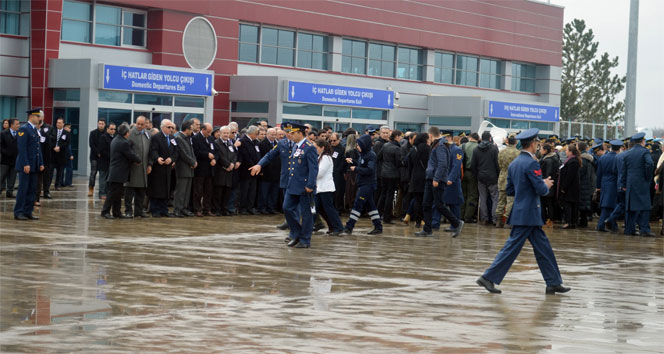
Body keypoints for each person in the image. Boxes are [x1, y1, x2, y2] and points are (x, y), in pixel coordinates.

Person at [476, 128, 570, 295]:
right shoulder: (532, 163)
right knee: (512, 248)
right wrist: (545, 184)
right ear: (533, 144)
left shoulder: (515, 164)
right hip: (529, 214)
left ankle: (553, 282)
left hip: (522, 212)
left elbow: (510, 190)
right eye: (537, 143)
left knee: (544, 249)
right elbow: (541, 190)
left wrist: (534, 185)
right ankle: (488, 277)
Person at [416, 129, 464, 237]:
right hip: (431, 178)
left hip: (436, 179)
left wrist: (437, 179)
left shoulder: (440, 146)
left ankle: (457, 222)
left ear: (430, 135)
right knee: (426, 204)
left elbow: (443, 164)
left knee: (438, 205)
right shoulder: (437, 145)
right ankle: (427, 229)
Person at [279, 123, 318, 248]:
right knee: (287, 208)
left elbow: (313, 168)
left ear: (300, 133)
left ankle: (305, 239)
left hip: (305, 186)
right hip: (293, 185)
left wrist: (310, 184)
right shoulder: (296, 147)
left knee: (306, 214)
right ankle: (296, 232)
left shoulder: (309, 147)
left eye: (293, 133)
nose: (291, 135)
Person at [341, 134, 383, 235]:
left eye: (359, 145)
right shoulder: (363, 154)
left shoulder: (370, 155)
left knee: (358, 204)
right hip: (363, 184)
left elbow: (370, 170)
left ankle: (349, 226)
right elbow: (362, 165)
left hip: (367, 185)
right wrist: (353, 163)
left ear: (365, 145)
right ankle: (378, 226)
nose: (357, 147)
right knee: (370, 206)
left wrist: (356, 169)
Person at [100, 124, 141, 219]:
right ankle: (105, 211)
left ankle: (116, 212)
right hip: (118, 172)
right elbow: (130, 154)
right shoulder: (123, 143)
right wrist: (138, 160)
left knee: (118, 194)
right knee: (112, 193)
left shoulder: (116, 139)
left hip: (116, 171)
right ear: (126, 133)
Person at [620, 132, 655, 236]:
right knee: (645, 206)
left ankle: (629, 229)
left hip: (630, 183)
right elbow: (649, 164)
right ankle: (644, 229)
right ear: (643, 141)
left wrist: (623, 184)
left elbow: (623, 171)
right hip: (642, 182)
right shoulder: (645, 152)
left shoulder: (627, 153)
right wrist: (647, 177)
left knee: (630, 207)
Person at [13, 108, 45, 220]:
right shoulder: (24, 129)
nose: (39, 119)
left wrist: (40, 162)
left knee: (32, 189)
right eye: (37, 116)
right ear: (31, 117)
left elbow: (37, 148)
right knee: (23, 189)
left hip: (34, 165)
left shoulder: (35, 130)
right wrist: (25, 164)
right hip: (26, 165)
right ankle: (19, 211)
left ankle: (28, 211)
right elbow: (22, 149)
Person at [147, 119, 178, 217]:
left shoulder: (172, 138)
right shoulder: (156, 137)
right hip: (158, 167)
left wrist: (172, 159)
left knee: (166, 189)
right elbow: (153, 150)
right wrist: (157, 158)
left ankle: (164, 210)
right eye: (169, 127)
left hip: (168, 168)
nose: (171, 129)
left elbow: (176, 151)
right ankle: (155, 210)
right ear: (163, 127)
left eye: (172, 127)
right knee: (156, 189)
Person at [313, 138, 344, 235]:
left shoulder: (326, 158)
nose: (315, 149)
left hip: (326, 188)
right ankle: (331, 226)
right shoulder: (320, 157)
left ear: (322, 148)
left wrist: (309, 176)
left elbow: (320, 173)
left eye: (316, 147)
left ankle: (338, 227)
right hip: (319, 188)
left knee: (329, 209)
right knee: (320, 209)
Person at [124, 116, 151, 218]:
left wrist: (150, 164)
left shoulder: (148, 134)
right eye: (138, 123)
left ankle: (139, 211)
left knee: (141, 192)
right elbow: (126, 149)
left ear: (145, 125)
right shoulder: (130, 133)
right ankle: (128, 211)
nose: (139, 126)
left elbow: (150, 151)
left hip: (144, 168)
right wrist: (133, 159)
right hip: (132, 167)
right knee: (129, 191)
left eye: (141, 124)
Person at [472, 131, 500, 225]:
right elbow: (497, 164)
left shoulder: (476, 149)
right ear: (490, 138)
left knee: (483, 198)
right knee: (495, 198)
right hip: (492, 177)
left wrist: (477, 176)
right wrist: (497, 174)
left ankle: (484, 218)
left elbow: (473, 165)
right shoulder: (494, 149)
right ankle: (495, 219)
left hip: (481, 177)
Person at [377, 130, 403, 224]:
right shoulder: (397, 148)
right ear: (396, 137)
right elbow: (398, 162)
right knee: (390, 195)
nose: (401, 138)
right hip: (393, 174)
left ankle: (378, 214)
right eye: (400, 136)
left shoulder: (385, 145)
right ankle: (387, 217)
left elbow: (378, 157)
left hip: (384, 173)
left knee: (383, 193)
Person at [596, 140, 622, 232]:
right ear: (619, 148)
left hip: (604, 183)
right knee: (610, 206)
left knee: (607, 205)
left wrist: (598, 186)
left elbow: (599, 173)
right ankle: (601, 225)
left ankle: (612, 226)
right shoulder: (619, 158)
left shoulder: (603, 158)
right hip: (615, 184)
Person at [173, 120, 197, 217]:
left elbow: (191, 152)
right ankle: (177, 209)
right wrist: (192, 162)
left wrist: (194, 161)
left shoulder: (188, 138)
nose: (192, 131)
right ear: (186, 129)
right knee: (181, 190)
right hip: (183, 168)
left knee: (187, 191)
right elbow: (183, 154)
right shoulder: (179, 138)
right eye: (191, 129)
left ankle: (184, 208)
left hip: (190, 168)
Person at [192, 123, 216, 216]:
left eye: (210, 132)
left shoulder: (210, 138)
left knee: (208, 190)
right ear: (203, 129)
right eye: (208, 132)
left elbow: (215, 150)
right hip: (200, 169)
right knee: (198, 190)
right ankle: (197, 209)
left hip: (210, 169)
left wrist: (214, 158)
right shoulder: (196, 138)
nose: (210, 134)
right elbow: (196, 152)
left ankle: (207, 209)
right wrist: (207, 155)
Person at [407, 133, 431, 228]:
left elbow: (409, 166)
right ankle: (425, 220)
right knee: (426, 200)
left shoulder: (413, 149)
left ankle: (417, 221)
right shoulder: (428, 149)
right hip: (425, 177)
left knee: (417, 200)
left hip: (415, 177)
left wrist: (410, 178)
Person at [495, 136, 519, 228]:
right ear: (515, 142)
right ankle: (507, 222)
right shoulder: (518, 153)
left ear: (507, 142)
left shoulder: (501, 152)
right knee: (510, 201)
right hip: (512, 178)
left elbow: (499, 164)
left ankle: (498, 220)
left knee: (501, 200)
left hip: (502, 176)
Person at [212, 126, 236, 216]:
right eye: (224, 133)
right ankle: (216, 209)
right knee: (218, 192)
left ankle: (224, 209)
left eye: (227, 133)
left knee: (227, 192)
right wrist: (227, 165)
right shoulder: (216, 143)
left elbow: (234, 155)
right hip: (221, 171)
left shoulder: (230, 143)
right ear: (220, 133)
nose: (226, 135)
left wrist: (232, 164)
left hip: (229, 172)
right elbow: (219, 156)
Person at [237, 125, 260, 215]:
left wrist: (258, 165)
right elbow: (245, 155)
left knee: (252, 190)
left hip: (255, 170)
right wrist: (253, 165)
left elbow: (257, 153)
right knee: (245, 190)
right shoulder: (243, 141)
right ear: (253, 134)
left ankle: (250, 207)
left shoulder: (255, 142)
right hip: (246, 170)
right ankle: (243, 207)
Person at [257, 127, 280, 214]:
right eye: (272, 135)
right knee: (264, 191)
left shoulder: (277, 144)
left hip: (276, 172)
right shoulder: (262, 144)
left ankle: (271, 207)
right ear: (267, 134)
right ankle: (262, 207)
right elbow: (261, 157)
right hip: (266, 172)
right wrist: (261, 170)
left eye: (275, 135)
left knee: (274, 192)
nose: (273, 136)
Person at [558, 143, 581, 229]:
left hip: (571, 188)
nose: (565, 152)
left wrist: (564, 187)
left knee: (568, 205)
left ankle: (569, 222)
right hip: (571, 187)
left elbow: (569, 176)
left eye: (567, 150)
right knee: (570, 205)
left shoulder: (573, 162)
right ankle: (571, 222)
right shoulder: (569, 160)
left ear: (571, 152)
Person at [539, 143, 560, 227]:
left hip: (548, 184)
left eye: (541, 149)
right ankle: (549, 219)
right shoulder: (550, 158)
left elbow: (548, 173)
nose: (540, 150)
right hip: (551, 184)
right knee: (549, 203)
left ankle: (547, 220)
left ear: (545, 150)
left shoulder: (548, 160)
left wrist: (544, 182)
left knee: (546, 203)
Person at [461, 132, 480, 222]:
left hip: (463, 172)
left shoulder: (463, 146)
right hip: (473, 173)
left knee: (463, 194)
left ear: (470, 138)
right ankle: (468, 216)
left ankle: (461, 214)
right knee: (472, 195)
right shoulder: (478, 147)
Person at [577, 142, 596, 228]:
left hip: (583, 184)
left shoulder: (582, 159)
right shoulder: (589, 158)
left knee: (582, 204)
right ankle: (584, 220)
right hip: (588, 184)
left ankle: (583, 222)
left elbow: (580, 172)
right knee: (585, 203)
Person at [1, 118, 19, 198]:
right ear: (12, 125)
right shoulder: (3, 133)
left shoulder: (19, 134)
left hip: (15, 159)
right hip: (5, 160)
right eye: (17, 124)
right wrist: (6, 152)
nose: (19, 125)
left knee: (12, 177)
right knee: (2, 176)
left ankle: (10, 192)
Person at [50, 117, 70, 191]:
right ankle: (48, 185)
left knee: (60, 172)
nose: (58, 124)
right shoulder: (52, 131)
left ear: (63, 124)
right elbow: (50, 141)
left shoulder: (66, 133)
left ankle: (57, 185)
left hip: (61, 155)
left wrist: (60, 147)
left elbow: (67, 143)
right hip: (52, 155)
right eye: (57, 122)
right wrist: (53, 147)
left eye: (60, 123)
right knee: (50, 172)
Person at [97, 123, 115, 200]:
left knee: (109, 179)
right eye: (111, 129)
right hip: (104, 162)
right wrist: (111, 156)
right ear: (107, 129)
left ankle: (107, 192)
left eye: (114, 129)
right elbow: (102, 150)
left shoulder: (114, 137)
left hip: (111, 163)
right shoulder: (103, 137)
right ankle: (102, 193)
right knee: (103, 179)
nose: (113, 131)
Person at [88, 119, 106, 196]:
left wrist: (101, 153)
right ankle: (91, 189)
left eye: (102, 123)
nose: (101, 125)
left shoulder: (106, 133)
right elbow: (91, 144)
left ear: (105, 124)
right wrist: (98, 153)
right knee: (93, 173)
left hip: (103, 157)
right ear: (97, 124)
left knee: (103, 174)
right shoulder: (93, 133)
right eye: (99, 123)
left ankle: (103, 190)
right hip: (94, 157)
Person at [343, 133, 359, 213]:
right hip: (352, 173)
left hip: (349, 172)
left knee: (350, 191)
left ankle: (349, 205)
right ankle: (351, 206)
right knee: (352, 191)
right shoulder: (353, 151)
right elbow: (355, 162)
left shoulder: (348, 150)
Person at [330, 132, 346, 212]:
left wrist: (338, 170)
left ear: (339, 140)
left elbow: (343, 162)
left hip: (338, 174)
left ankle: (339, 208)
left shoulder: (342, 149)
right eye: (331, 140)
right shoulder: (330, 148)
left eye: (334, 140)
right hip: (330, 173)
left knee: (338, 191)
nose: (332, 142)